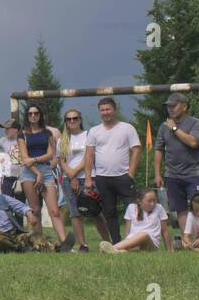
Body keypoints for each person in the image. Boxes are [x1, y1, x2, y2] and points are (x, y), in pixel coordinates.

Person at [82, 97, 141, 243]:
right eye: (102, 110)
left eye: (108, 109)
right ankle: (116, 243)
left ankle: (136, 240)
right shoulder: (94, 131)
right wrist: (89, 178)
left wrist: (131, 173)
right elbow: (89, 156)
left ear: (115, 110)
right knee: (110, 212)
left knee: (134, 210)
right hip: (102, 178)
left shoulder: (127, 128)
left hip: (123, 176)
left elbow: (137, 150)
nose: (105, 112)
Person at [18, 103, 73, 248]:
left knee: (54, 211)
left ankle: (64, 242)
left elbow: (51, 153)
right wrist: (37, 173)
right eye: (30, 114)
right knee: (35, 210)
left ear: (40, 115)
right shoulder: (22, 134)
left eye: (36, 113)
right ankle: (39, 243)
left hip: (47, 171)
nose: (33, 116)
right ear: (27, 116)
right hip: (29, 173)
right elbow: (24, 158)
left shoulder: (47, 133)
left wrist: (36, 161)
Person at [154, 92, 199, 236]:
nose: (170, 109)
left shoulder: (196, 123)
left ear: (184, 106)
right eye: (168, 106)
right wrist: (158, 173)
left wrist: (174, 129)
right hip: (172, 174)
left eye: (173, 106)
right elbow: (158, 149)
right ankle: (187, 239)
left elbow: (194, 142)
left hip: (194, 173)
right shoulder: (164, 126)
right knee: (179, 208)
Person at [57, 109, 91, 253]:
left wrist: (75, 173)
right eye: (69, 119)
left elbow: (89, 158)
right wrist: (71, 176)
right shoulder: (62, 139)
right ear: (65, 122)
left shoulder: (88, 135)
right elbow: (61, 160)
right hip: (68, 179)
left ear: (80, 119)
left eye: (75, 118)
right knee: (74, 212)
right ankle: (83, 245)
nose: (72, 121)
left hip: (87, 176)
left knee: (95, 211)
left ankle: (108, 242)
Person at [101, 188, 173, 254]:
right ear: (139, 202)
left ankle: (113, 248)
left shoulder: (159, 208)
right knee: (133, 248)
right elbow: (128, 231)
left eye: (154, 200)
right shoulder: (131, 207)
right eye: (149, 201)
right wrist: (128, 243)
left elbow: (165, 231)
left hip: (150, 244)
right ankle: (118, 251)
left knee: (144, 234)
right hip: (134, 242)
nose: (153, 203)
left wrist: (170, 250)